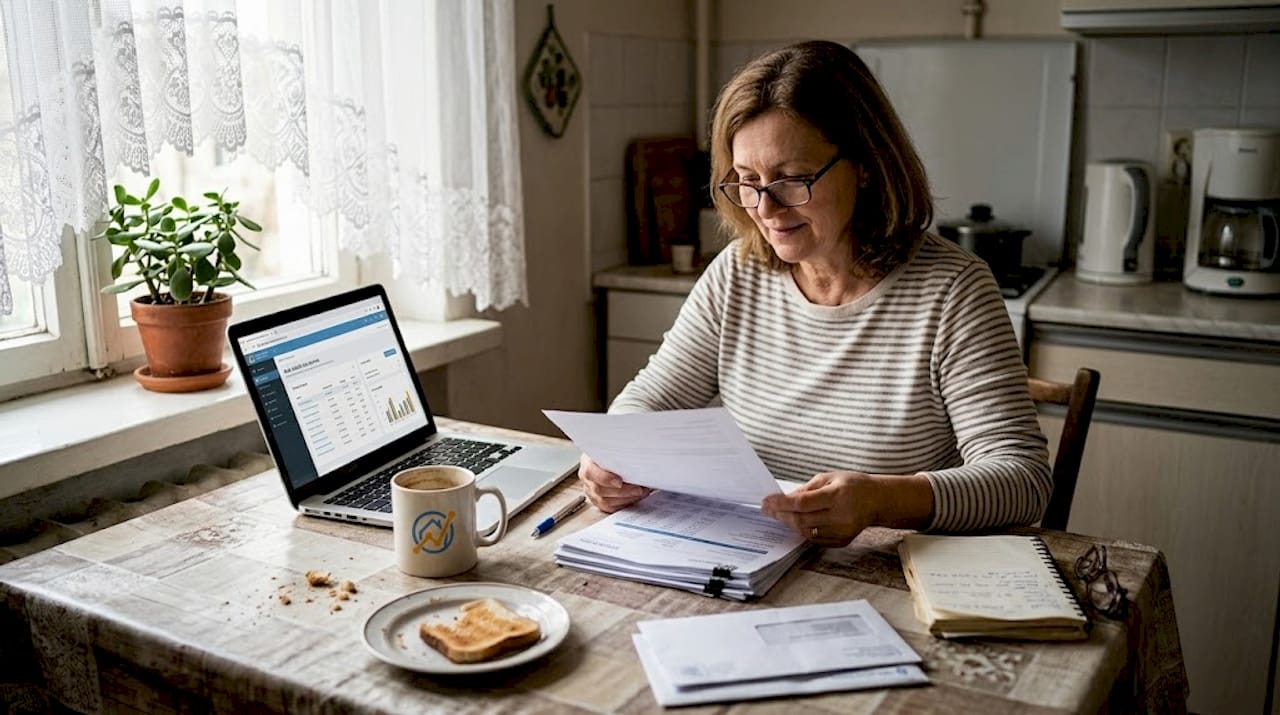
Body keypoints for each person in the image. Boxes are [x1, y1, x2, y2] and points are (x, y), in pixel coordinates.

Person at [579, 40, 1051, 547]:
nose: (766, 208)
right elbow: (654, 396)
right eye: (746, 181)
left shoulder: (953, 291)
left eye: (792, 179)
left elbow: (1021, 480)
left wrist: (878, 500)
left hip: (887, 573)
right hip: (751, 558)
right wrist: (614, 455)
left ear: (865, 165)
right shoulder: (737, 273)